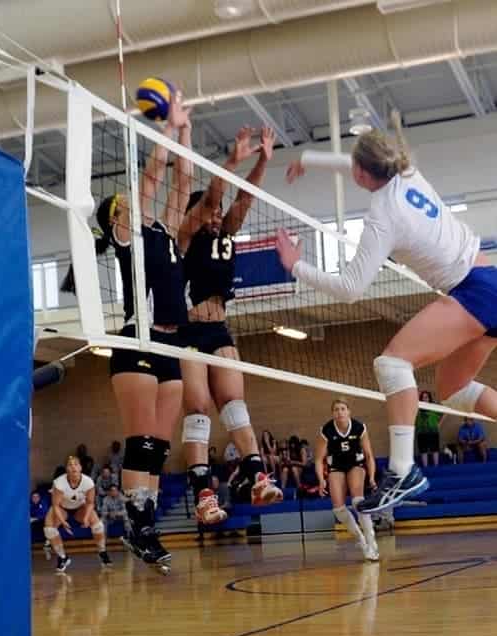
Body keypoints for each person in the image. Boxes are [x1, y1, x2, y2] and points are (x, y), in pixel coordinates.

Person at [277, 110, 497, 513]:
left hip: (474, 291)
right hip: (487, 278)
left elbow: (350, 289)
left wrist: (295, 266)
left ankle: (402, 470)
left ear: (362, 174)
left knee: (392, 363)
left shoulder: (382, 216)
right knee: (452, 388)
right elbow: (353, 162)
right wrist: (308, 159)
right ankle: (404, 469)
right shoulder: (408, 171)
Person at [94, 88, 192, 568]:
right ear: (114, 220)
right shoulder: (126, 235)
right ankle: (138, 525)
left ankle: (143, 525)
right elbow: (153, 178)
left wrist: (186, 130)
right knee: (143, 441)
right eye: (121, 205)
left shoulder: (165, 232)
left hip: (171, 343)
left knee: (160, 445)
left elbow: (182, 181)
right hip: (137, 340)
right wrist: (166, 128)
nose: (128, 205)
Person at [178, 126, 282, 523]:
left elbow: (244, 198)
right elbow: (214, 196)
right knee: (199, 407)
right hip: (187, 331)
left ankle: (258, 478)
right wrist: (232, 160)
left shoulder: (227, 233)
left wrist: (262, 161)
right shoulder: (185, 237)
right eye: (211, 210)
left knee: (235, 405)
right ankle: (204, 495)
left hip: (220, 329)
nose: (218, 214)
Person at [315, 399, 379, 562]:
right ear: (332, 413)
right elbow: (318, 459)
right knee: (338, 509)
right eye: (336, 409)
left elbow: (369, 455)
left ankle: (372, 543)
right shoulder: (326, 430)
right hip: (336, 467)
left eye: (343, 409)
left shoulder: (359, 427)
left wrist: (371, 477)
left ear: (349, 411)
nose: (340, 412)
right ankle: (360, 539)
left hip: (355, 465)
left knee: (358, 501)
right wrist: (321, 480)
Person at [45, 456, 112, 572]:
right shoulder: (59, 483)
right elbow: (55, 505)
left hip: (80, 508)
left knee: (98, 525)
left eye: (76, 464)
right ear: (67, 469)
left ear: (80, 468)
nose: (73, 467)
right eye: (70, 465)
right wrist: (63, 522)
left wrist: (86, 518)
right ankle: (62, 557)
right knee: (49, 529)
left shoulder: (88, 482)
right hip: (62, 508)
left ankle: (102, 552)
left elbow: (90, 503)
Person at [415, 390, 442, 467]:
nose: (425, 399)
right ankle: (426, 467)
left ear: (429, 398)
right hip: (421, 432)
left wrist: (439, 424)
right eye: (423, 398)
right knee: (423, 450)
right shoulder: (418, 408)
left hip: (433, 431)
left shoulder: (434, 407)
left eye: (426, 397)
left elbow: (445, 411)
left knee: (435, 449)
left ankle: (436, 467)